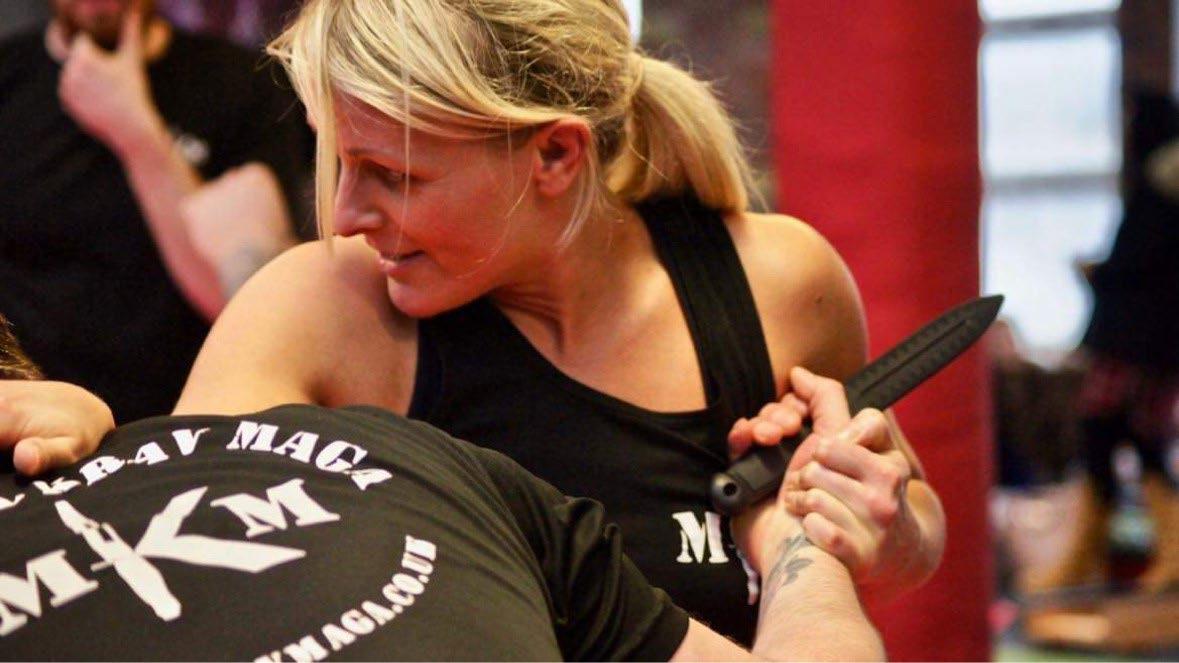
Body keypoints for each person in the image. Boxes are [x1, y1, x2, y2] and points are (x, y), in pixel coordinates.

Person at [3, 0, 946, 643]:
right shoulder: (322, 309)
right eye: (339, 162)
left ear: (555, 156)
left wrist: (883, 525)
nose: (345, 215)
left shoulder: (776, 282)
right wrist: (81, 446)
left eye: (393, 176)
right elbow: (160, 598)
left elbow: (902, 531)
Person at [0, 318, 882, 661]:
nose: (347, 217)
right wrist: (796, 532)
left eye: (393, 171)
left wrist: (791, 515)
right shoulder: (382, 435)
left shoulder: (411, 457)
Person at [0, 0, 314, 424]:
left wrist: (136, 130)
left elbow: (258, 314)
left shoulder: (242, 85)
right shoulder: (9, 77)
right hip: (31, 420)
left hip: (188, 424)